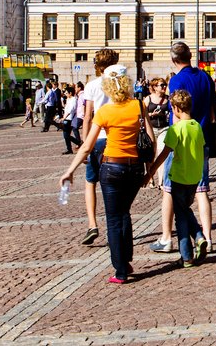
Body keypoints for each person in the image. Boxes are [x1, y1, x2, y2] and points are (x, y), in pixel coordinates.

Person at [60, 64, 154, 284]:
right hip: (134, 168)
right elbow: (150, 139)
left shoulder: (104, 112)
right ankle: (126, 259)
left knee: (114, 218)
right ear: (127, 83)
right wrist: (150, 171)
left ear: (107, 87)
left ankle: (120, 270)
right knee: (124, 213)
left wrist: (70, 171)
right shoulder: (139, 106)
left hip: (111, 167)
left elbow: (86, 146)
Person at [149, 42, 216, 254]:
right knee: (202, 190)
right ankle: (208, 237)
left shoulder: (177, 80)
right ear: (190, 56)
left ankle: (166, 238)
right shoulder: (205, 77)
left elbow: (176, 111)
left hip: (181, 138)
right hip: (202, 136)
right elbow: (214, 107)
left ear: (174, 60)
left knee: (169, 189)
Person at [143, 89, 208, 268]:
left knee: (181, 217)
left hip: (179, 177)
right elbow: (201, 150)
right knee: (185, 210)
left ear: (177, 108)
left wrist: (151, 171)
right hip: (194, 178)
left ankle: (187, 255)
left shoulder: (176, 129)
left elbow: (165, 153)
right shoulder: (197, 126)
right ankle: (198, 238)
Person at [80, 48, 121, 246]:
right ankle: (116, 222)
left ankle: (92, 224)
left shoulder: (92, 85)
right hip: (115, 138)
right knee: (113, 183)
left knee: (91, 182)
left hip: (96, 138)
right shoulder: (120, 83)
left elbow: (87, 117)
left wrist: (84, 143)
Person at [145, 77, 169, 188]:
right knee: (151, 156)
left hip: (164, 128)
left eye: (165, 85)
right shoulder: (148, 99)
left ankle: (161, 181)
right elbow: (142, 114)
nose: (164, 87)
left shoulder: (168, 99)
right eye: (161, 85)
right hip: (151, 129)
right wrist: (151, 115)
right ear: (155, 87)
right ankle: (150, 178)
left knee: (161, 153)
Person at [61, 85, 80, 154]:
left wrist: (64, 117)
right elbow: (66, 109)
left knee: (66, 135)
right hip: (67, 118)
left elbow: (71, 110)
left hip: (70, 119)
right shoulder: (68, 99)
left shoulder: (74, 99)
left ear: (70, 93)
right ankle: (69, 149)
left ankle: (79, 143)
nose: (65, 94)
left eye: (66, 93)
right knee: (66, 135)